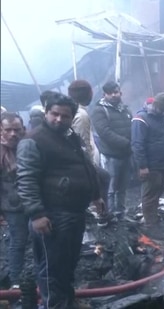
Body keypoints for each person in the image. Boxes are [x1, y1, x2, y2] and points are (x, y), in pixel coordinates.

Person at [16, 92, 105, 308]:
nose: (58, 119)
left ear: (71, 118)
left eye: (64, 116)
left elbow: (86, 167)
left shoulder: (69, 136)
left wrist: (95, 195)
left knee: (68, 263)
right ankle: (55, 305)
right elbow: (27, 180)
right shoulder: (34, 140)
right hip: (51, 215)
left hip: (74, 212)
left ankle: (67, 300)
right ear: (46, 112)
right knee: (51, 268)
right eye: (54, 114)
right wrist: (37, 214)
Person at [69, 80, 112, 226]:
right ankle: (100, 214)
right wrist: (90, 166)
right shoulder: (80, 115)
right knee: (101, 179)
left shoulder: (72, 110)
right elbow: (82, 143)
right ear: (89, 94)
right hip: (81, 162)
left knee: (104, 178)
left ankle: (99, 212)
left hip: (75, 161)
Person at [90, 81, 132, 218]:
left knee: (123, 187)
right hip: (111, 155)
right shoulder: (99, 110)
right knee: (110, 188)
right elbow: (105, 133)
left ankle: (120, 213)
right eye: (110, 93)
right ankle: (108, 214)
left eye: (116, 92)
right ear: (104, 95)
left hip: (126, 154)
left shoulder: (125, 109)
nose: (114, 95)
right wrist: (127, 143)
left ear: (120, 92)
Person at [131, 92, 164, 226]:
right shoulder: (141, 119)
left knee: (158, 191)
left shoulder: (162, 116)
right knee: (149, 195)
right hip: (151, 164)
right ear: (155, 105)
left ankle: (152, 216)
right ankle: (150, 224)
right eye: (162, 109)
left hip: (163, 163)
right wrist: (143, 166)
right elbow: (137, 144)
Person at [0, 112, 26, 290]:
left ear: (22, 130)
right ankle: (16, 281)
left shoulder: (29, 146)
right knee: (18, 241)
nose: (12, 134)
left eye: (16, 130)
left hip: (35, 202)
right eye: (8, 130)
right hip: (11, 206)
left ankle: (42, 275)